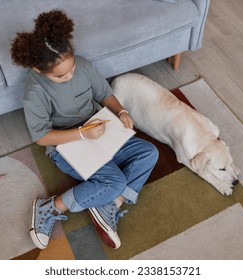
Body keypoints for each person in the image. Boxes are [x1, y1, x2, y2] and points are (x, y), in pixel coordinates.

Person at [10, 10, 158, 249]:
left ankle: (110, 202)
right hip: (66, 145)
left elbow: (104, 94)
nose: (69, 76)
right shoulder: (34, 90)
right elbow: (42, 137)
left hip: (99, 130)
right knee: (114, 181)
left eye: (72, 68)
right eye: (60, 76)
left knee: (149, 152)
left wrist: (121, 112)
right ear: (39, 70)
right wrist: (81, 134)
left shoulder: (85, 67)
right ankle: (51, 207)